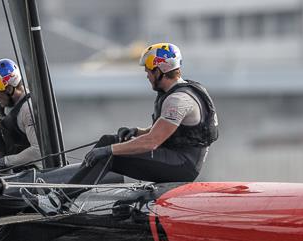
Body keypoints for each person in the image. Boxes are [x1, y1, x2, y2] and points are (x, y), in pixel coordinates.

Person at [73, 42, 218, 185]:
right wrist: (136, 131)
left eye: (148, 71)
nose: (147, 75)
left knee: (109, 153)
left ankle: (62, 199)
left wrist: (107, 150)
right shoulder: (179, 91)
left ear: (159, 71)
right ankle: (66, 192)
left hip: (182, 166)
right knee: (109, 140)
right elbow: (165, 131)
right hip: (177, 158)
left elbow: (152, 142)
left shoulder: (178, 100)